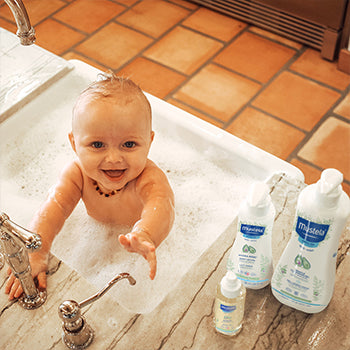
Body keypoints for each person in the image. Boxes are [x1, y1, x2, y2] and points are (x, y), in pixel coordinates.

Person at [5, 73, 175, 300]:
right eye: (97, 144)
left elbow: (162, 207)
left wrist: (145, 234)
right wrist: (38, 251)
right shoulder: (77, 174)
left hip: (134, 249)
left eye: (129, 144)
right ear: (75, 144)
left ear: (149, 142)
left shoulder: (148, 178)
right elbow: (53, 208)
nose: (114, 158)